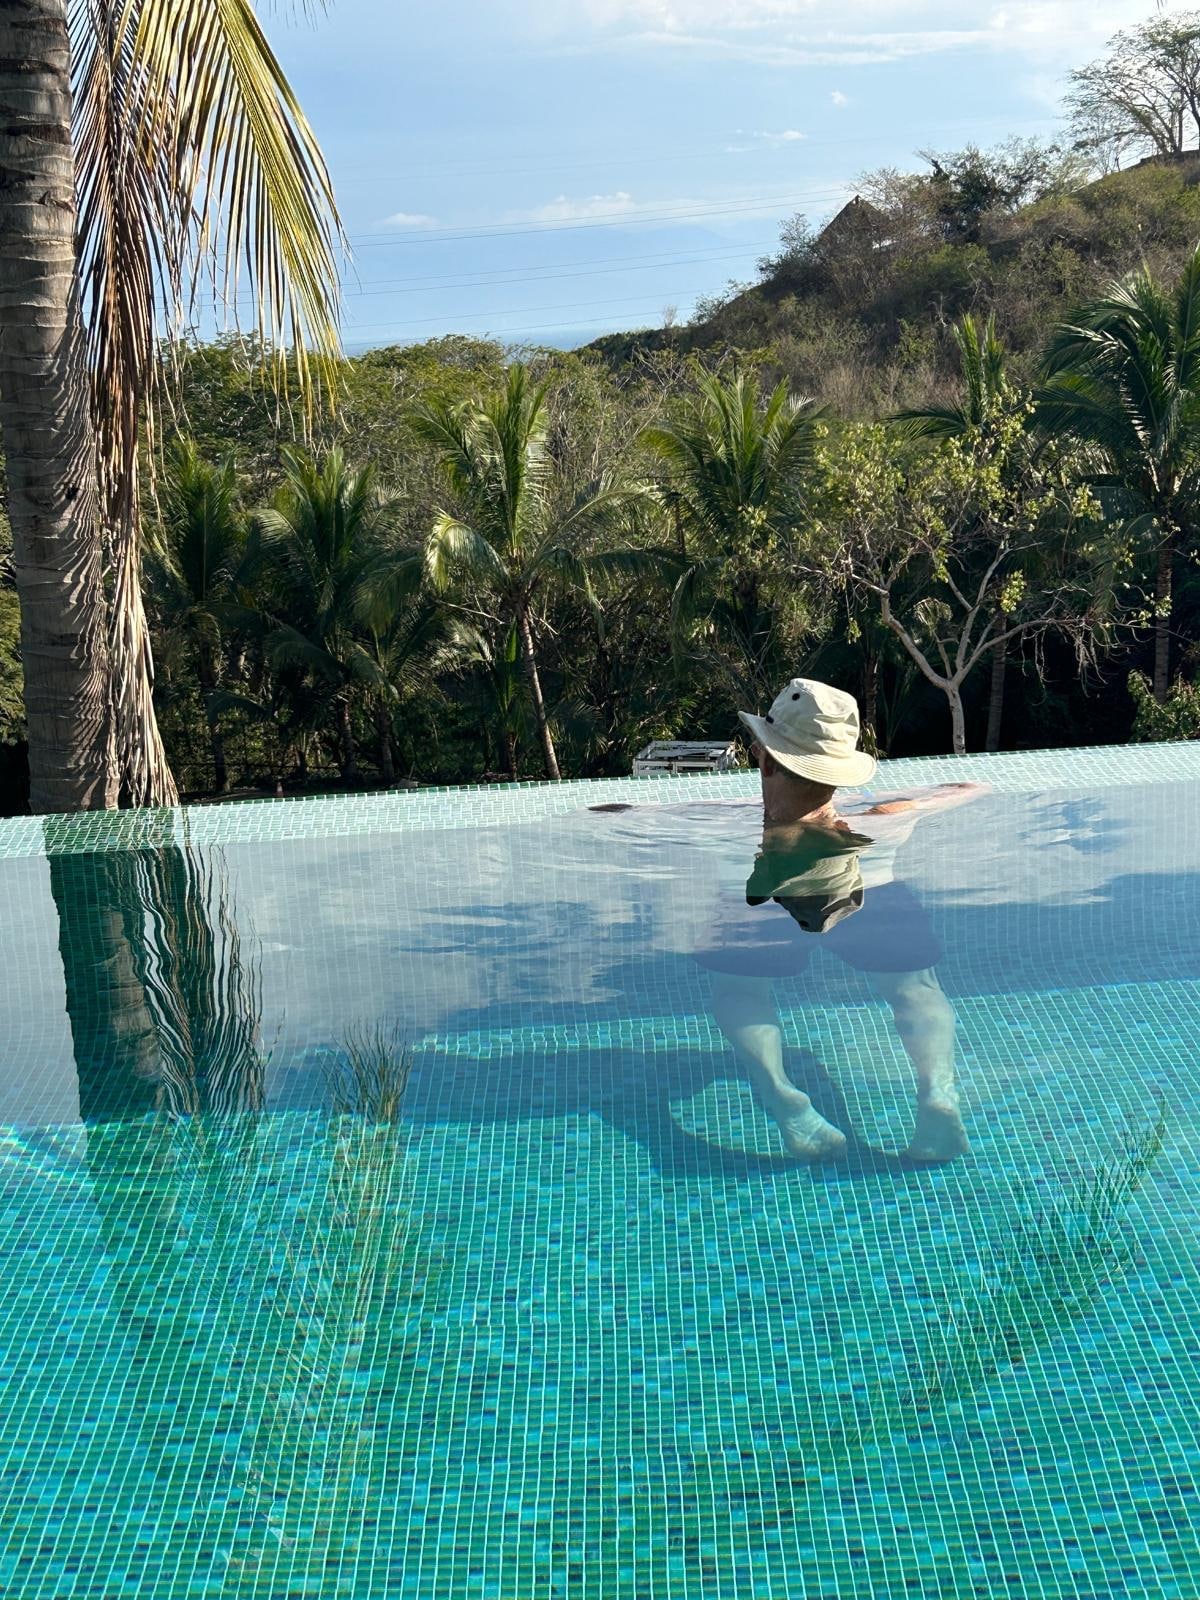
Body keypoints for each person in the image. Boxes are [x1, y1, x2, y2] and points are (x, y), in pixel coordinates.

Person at [696, 677, 985, 1166]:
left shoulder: (722, 824)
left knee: (739, 991)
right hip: (870, 887)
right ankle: (939, 1092)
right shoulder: (884, 818)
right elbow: (971, 786)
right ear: (840, 768)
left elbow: (607, 816)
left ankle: (783, 1097)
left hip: (761, 898)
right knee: (915, 987)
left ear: (763, 757)